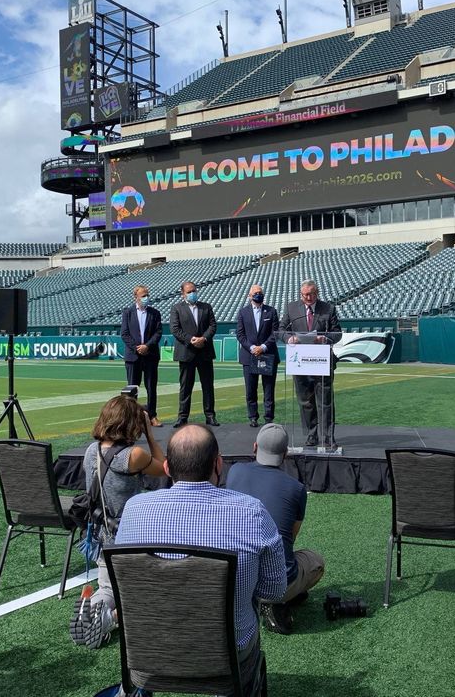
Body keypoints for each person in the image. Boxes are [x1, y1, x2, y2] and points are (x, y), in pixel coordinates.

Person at [116, 424, 285, 695]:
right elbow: (274, 591)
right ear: (218, 464)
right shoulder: (251, 512)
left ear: (167, 467)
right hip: (229, 660)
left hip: (147, 655)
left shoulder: (134, 509)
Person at [70, 395, 166, 649]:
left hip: (101, 534)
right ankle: (111, 618)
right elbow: (164, 467)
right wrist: (150, 435)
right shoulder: (133, 455)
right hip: (130, 536)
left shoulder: (91, 451)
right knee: (148, 592)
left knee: (108, 587)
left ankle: (92, 609)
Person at [226, 424, 325, 635]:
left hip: (235, 577)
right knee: (316, 562)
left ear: (255, 447)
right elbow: (291, 537)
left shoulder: (234, 471)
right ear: (285, 454)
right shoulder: (296, 489)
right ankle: (276, 600)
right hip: (275, 581)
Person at [280, 280, 343, 448]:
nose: (309, 298)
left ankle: (327, 437)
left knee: (325, 402)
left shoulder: (328, 309)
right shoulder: (291, 308)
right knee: (305, 401)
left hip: (322, 361)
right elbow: (281, 330)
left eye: (312, 294)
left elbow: (337, 333)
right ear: (301, 294)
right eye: (305, 295)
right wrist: (289, 338)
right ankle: (311, 434)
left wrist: (325, 338)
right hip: (300, 362)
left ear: (317, 293)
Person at [169, 281, 219, 428]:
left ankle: (210, 416)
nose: (192, 293)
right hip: (187, 353)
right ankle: (182, 417)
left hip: (205, 352)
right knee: (185, 387)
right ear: (183, 294)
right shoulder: (177, 308)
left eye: (194, 291)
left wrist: (203, 338)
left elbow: (212, 326)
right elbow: (175, 329)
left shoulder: (206, 307)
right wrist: (191, 340)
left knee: (208, 386)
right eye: (189, 292)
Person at [236, 284, 280, 428]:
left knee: (269, 389)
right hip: (249, 356)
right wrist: (252, 348)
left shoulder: (271, 311)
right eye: (255, 293)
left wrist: (263, 347)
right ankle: (253, 417)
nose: (258, 295)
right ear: (249, 296)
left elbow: (275, 333)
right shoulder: (243, 312)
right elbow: (240, 334)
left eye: (260, 292)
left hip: (268, 354)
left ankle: (269, 418)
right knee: (250, 389)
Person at [119, 284, 163, 426]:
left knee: (151, 387)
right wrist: (137, 348)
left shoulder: (155, 313)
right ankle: (132, 418)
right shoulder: (127, 313)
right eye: (143, 295)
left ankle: (152, 416)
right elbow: (124, 334)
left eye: (147, 295)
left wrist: (147, 346)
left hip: (150, 356)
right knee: (132, 389)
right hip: (133, 357)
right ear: (136, 297)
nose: (146, 298)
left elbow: (158, 332)